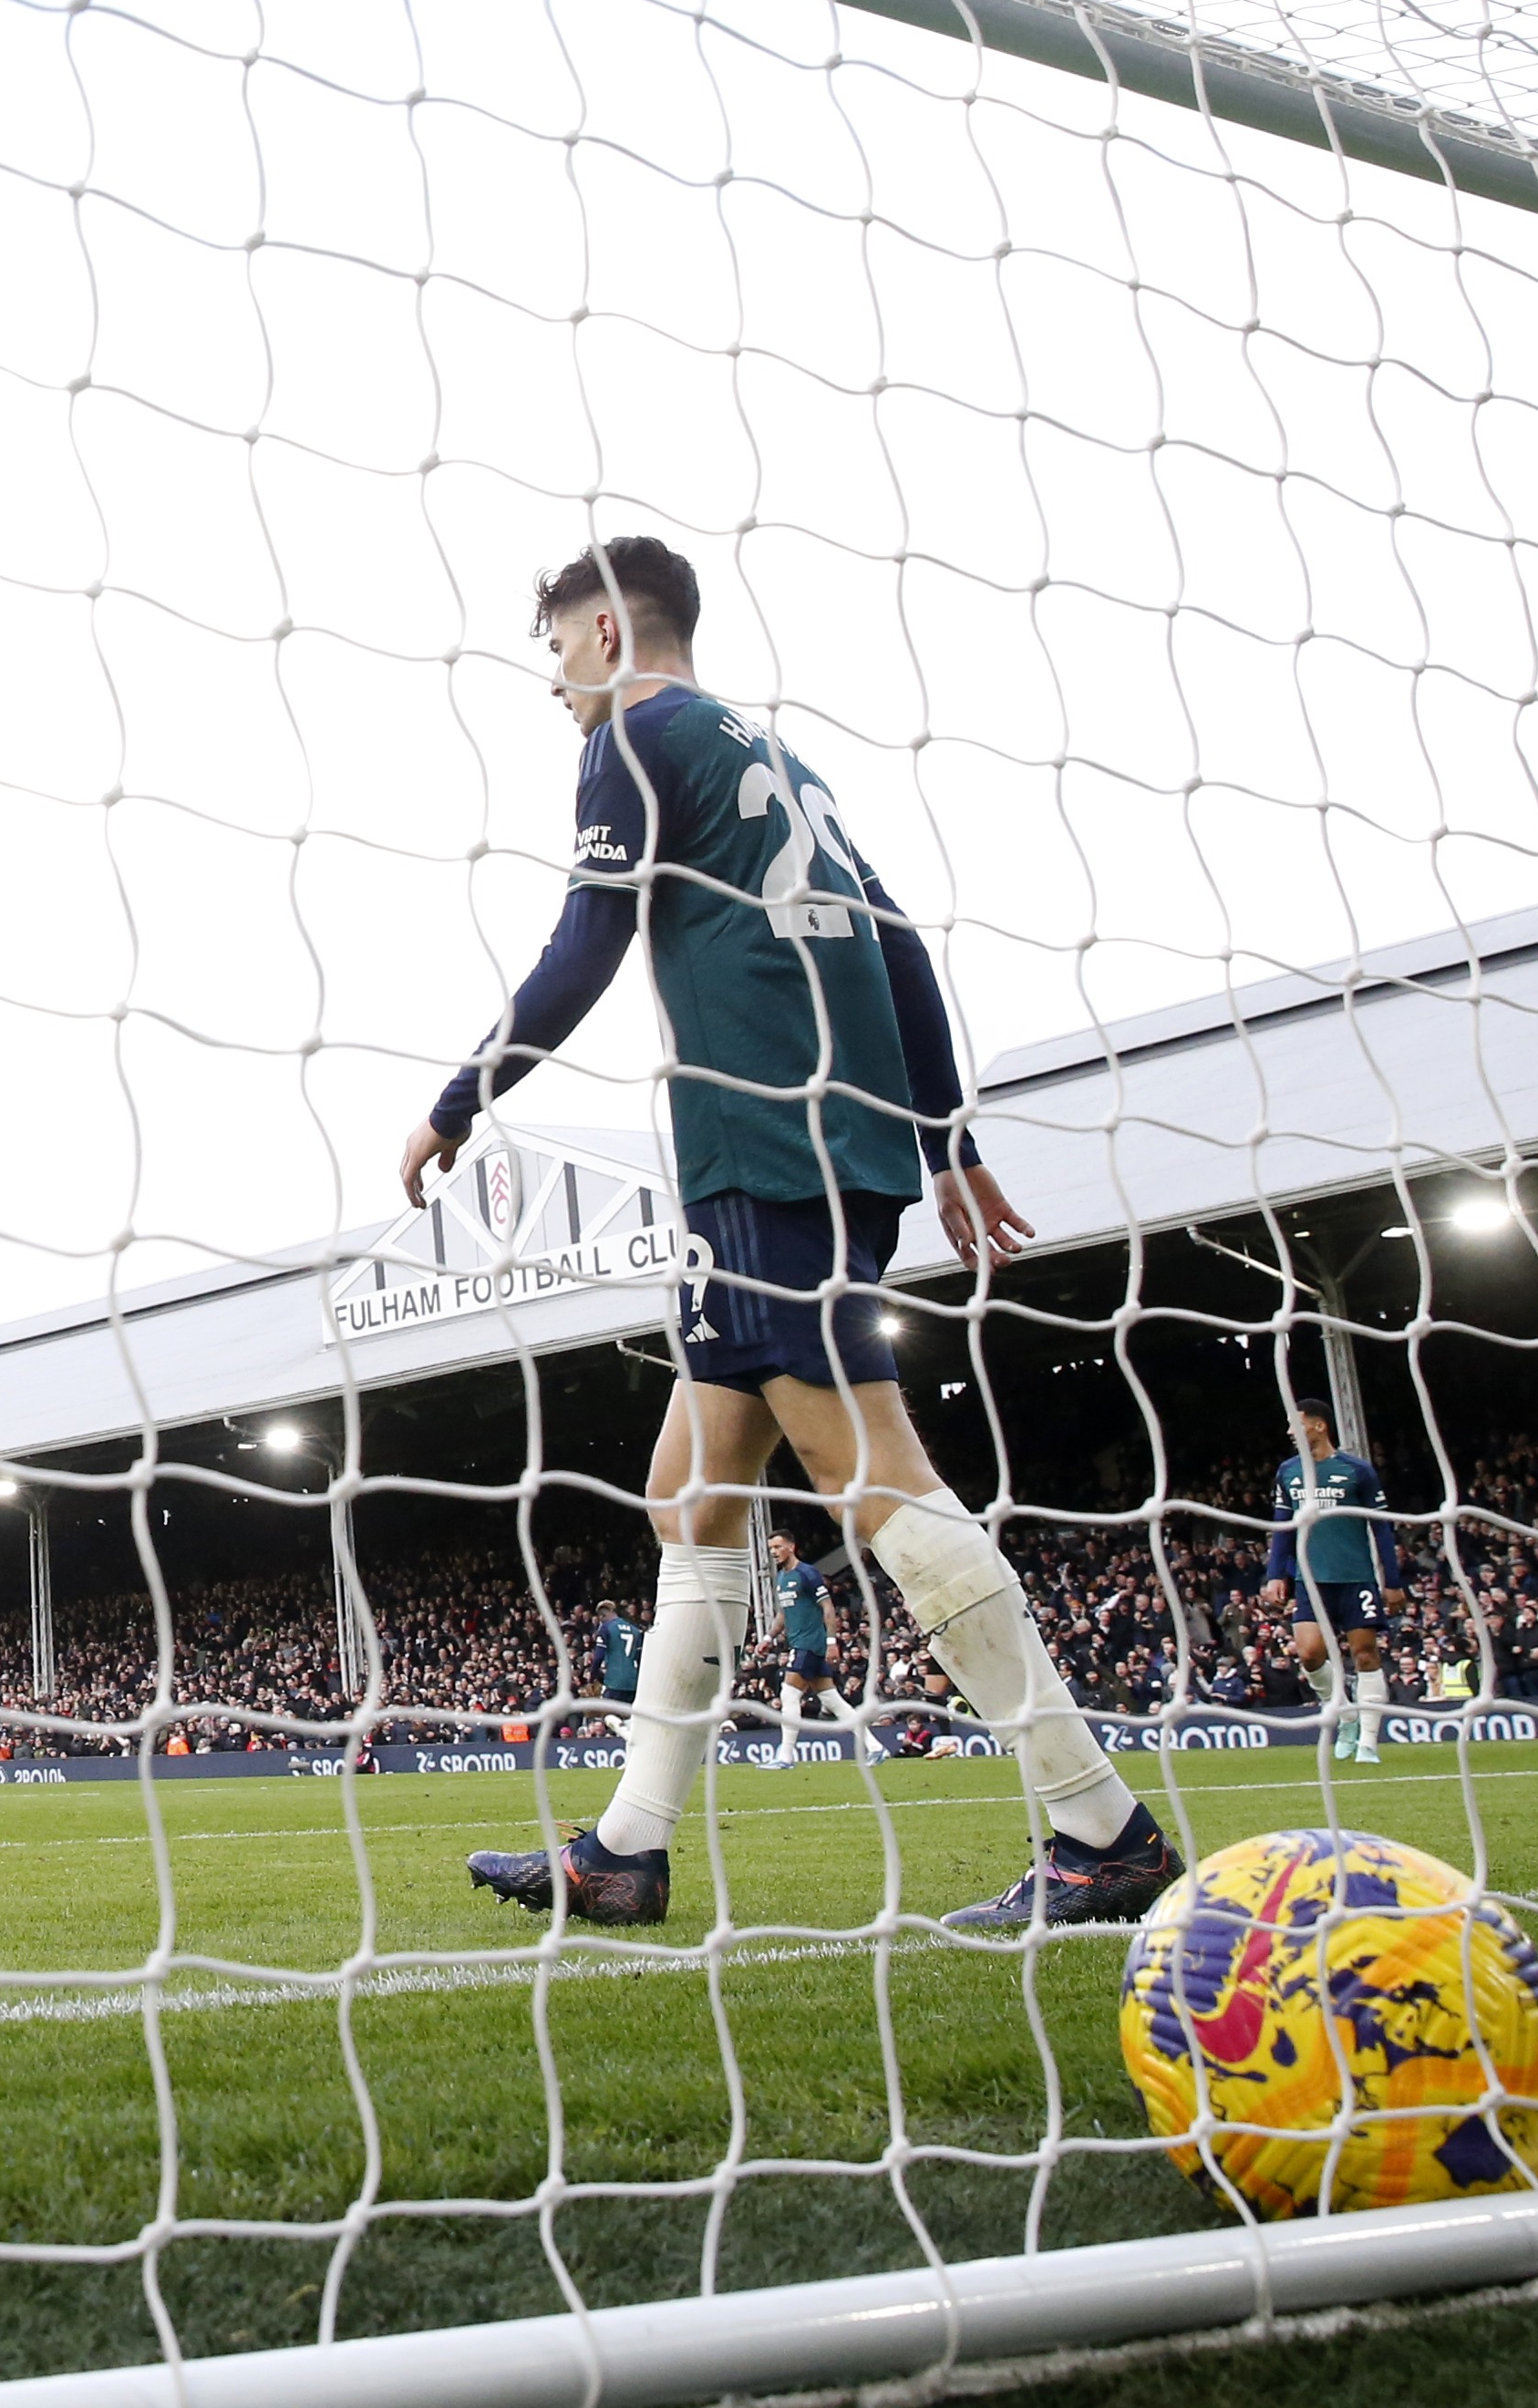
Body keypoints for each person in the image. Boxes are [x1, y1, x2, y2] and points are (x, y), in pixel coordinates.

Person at [408, 536, 1179, 1932]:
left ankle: (1101, 1829)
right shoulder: (772, 759)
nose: (555, 685)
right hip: (825, 1142)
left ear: (599, 630)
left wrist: (464, 1098)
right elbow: (896, 942)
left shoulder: (636, 736)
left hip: (764, 1147)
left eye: (553, 652)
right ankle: (628, 1851)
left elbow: (587, 939)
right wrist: (944, 1139)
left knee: (872, 1474)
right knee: (692, 1493)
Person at [1266, 1407, 1399, 1766]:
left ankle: (1369, 1742)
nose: (1291, 1432)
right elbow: (1283, 1528)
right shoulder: (1288, 1472)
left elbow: (1382, 1529)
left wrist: (1393, 1581)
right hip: (1310, 1579)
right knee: (1309, 1653)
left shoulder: (1358, 1471)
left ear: (1319, 1426)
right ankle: (1345, 1717)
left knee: (1366, 1655)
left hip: (1356, 1577)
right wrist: (1275, 1574)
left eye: (1297, 1424)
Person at [769, 1528, 845, 1723]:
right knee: (831, 1698)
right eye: (771, 1548)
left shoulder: (807, 1573)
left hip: (809, 1643)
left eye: (778, 1547)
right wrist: (768, 1638)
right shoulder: (781, 1578)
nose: (774, 1552)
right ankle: (875, 1746)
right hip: (799, 1642)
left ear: (791, 1547)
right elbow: (783, 1613)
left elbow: (827, 1607)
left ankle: (786, 1753)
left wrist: (831, 1642)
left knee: (788, 1695)